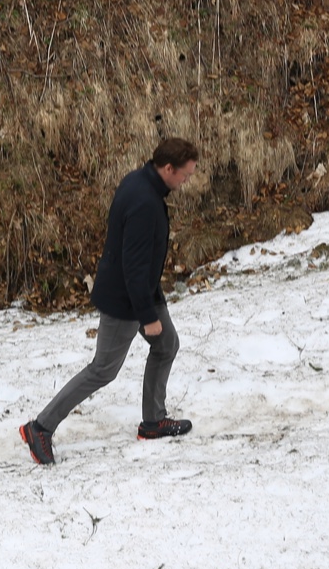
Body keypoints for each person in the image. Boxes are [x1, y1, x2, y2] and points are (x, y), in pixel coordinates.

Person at [21, 137, 199, 465]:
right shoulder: (145, 200)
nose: (186, 181)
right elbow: (132, 266)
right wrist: (147, 315)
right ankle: (40, 427)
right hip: (126, 299)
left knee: (166, 345)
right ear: (168, 168)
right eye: (184, 175)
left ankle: (153, 421)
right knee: (103, 369)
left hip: (143, 291)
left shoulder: (140, 181)